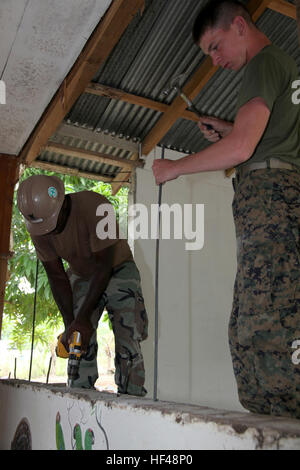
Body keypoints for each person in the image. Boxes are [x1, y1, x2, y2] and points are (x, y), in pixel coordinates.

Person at [152, 0, 300, 419]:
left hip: (271, 199)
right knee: (249, 322)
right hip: (275, 197)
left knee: (265, 324)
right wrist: (227, 126)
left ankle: (281, 427)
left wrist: (174, 168)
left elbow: (242, 149)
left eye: (215, 47)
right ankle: (270, 420)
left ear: (239, 25)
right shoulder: (281, 65)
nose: (215, 61)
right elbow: (261, 138)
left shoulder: (262, 63)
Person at [17, 174, 148, 396]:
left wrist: (82, 319)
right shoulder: (37, 225)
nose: (47, 232)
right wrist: (72, 324)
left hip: (117, 268)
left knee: (128, 334)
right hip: (81, 274)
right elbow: (57, 277)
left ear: (60, 205)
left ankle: (132, 396)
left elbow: (104, 265)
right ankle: (79, 394)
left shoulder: (96, 206)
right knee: (78, 339)